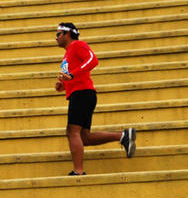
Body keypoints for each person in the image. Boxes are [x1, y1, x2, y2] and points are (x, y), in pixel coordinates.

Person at [54, 22, 135, 175]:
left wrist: (72, 75)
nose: (56, 38)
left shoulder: (78, 45)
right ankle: (123, 136)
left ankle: (78, 171)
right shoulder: (68, 53)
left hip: (82, 94)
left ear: (68, 34)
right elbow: (75, 74)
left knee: (72, 132)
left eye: (58, 34)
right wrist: (64, 84)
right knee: (84, 136)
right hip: (79, 93)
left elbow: (92, 60)